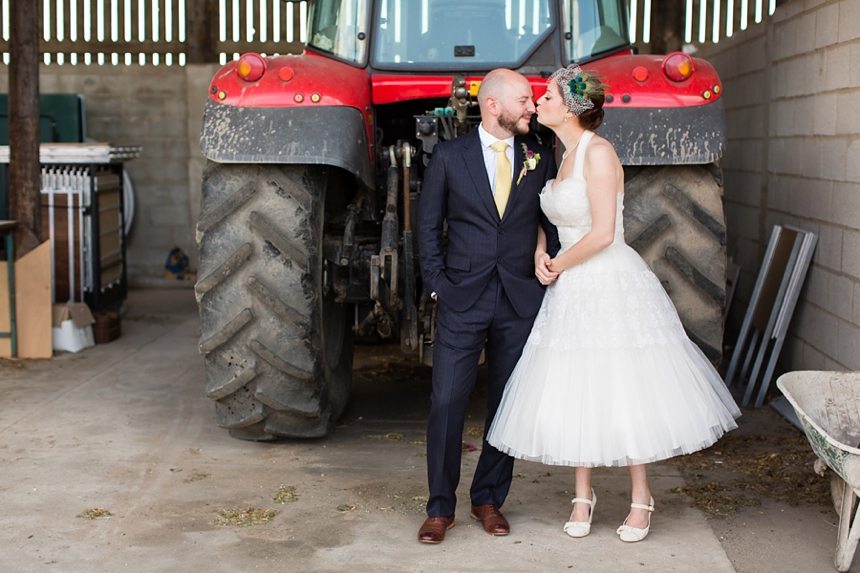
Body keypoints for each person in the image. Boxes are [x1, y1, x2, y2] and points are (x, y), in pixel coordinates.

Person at [486, 64, 741, 543]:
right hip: (571, 287)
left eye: (547, 97)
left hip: (605, 280)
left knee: (623, 385)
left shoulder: (599, 154)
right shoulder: (560, 155)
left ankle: (641, 496)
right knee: (579, 384)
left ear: (570, 108)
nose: (538, 102)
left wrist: (558, 264)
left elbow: (603, 233)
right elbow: (553, 216)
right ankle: (583, 496)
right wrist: (543, 249)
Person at [416, 68, 559, 544]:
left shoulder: (538, 155)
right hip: (462, 296)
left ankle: (488, 499)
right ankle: (440, 507)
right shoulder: (449, 156)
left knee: (507, 403)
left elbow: (548, 219)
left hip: (518, 297)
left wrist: (544, 259)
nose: (532, 107)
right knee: (447, 402)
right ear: (493, 105)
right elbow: (427, 226)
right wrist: (437, 284)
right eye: (524, 99)